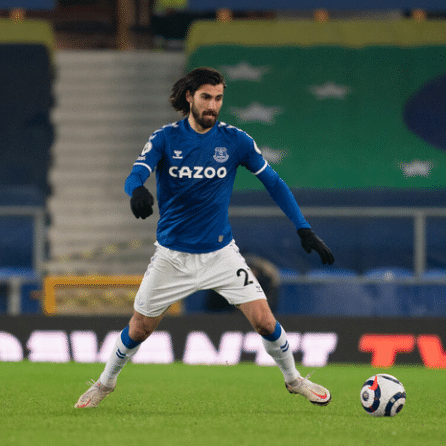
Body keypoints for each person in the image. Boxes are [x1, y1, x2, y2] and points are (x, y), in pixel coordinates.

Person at [74, 67, 336, 409]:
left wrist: (303, 227)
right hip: (172, 256)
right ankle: (105, 384)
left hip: (220, 254)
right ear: (190, 97)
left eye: (218, 98)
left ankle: (294, 379)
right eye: (206, 97)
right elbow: (136, 173)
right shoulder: (165, 138)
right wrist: (136, 189)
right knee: (139, 328)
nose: (213, 105)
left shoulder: (236, 141)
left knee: (264, 320)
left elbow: (274, 183)